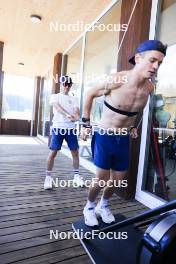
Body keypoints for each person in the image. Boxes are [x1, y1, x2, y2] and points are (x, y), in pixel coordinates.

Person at [82, 40, 167, 226]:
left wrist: (134, 127)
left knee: (118, 179)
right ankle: (89, 206)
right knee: (101, 177)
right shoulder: (117, 80)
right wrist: (85, 124)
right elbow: (89, 94)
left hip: (123, 138)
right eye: (152, 60)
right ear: (138, 58)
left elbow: (138, 110)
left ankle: (103, 205)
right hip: (105, 135)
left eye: (159, 63)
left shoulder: (149, 88)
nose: (155, 67)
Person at [44, 75, 84, 190]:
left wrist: (76, 117)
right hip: (58, 128)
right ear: (61, 85)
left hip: (70, 129)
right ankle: (48, 178)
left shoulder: (74, 98)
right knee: (53, 153)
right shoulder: (54, 96)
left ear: (71, 86)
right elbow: (57, 107)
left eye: (69, 84)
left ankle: (76, 176)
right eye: (64, 84)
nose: (66, 86)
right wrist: (67, 115)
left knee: (75, 153)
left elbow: (77, 113)